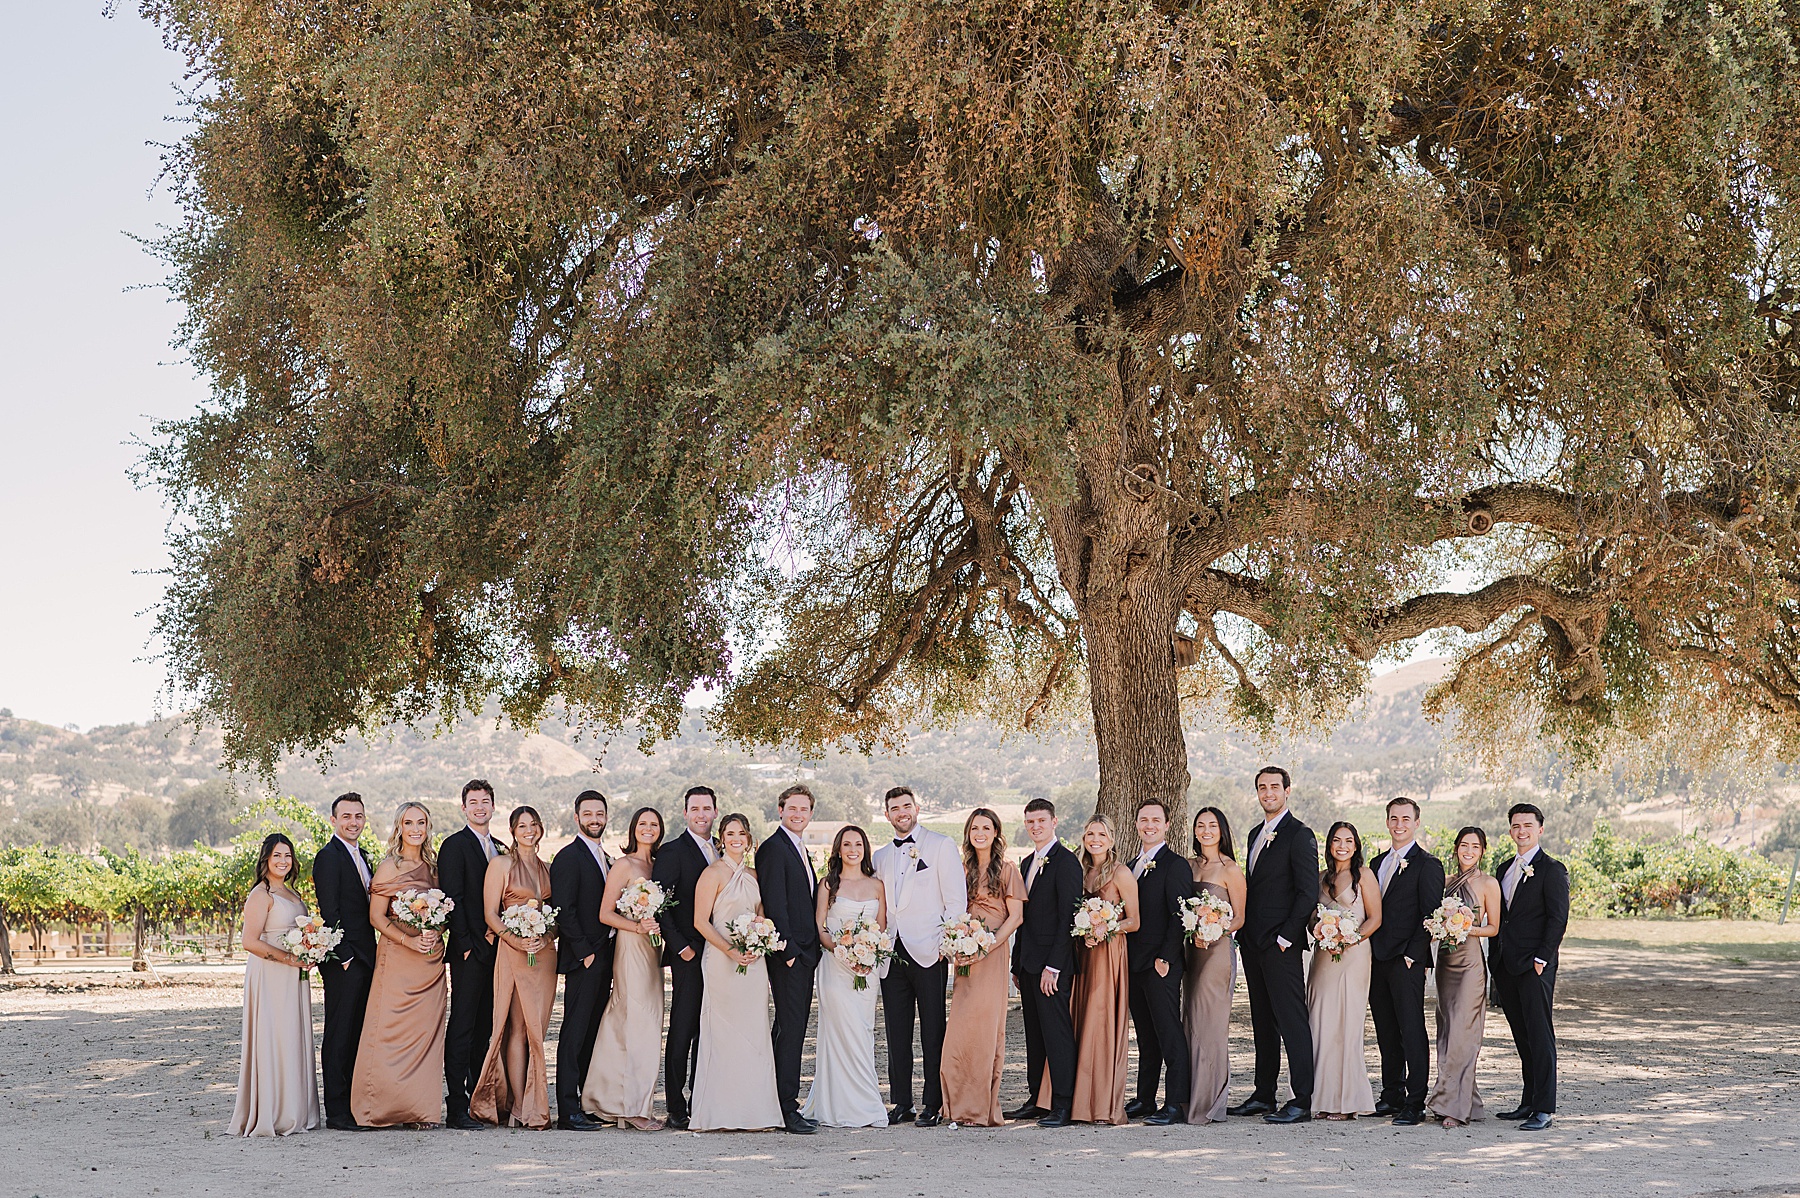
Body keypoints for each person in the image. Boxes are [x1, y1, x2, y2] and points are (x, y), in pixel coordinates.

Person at [1231, 765, 1321, 1125]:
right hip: (1252, 943)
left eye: (1273, 787)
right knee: (1262, 1021)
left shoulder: (1300, 834)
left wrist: (1286, 937)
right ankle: (1263, 1093)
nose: (1267, 793)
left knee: (1291, 1020)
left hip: (1281, 944)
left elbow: (1307, 892)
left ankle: (1302, 1099)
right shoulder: (1255, 833)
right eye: (1261, 787)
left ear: (1287, 791)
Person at [873, 784, 968, 1127]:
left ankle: (933, 1103)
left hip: (930, 950)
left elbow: (956, 901)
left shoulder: (940, 845)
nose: (902, 812)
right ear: (887, 815)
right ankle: (901, 1102)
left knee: (932, 1030)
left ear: (917, 808)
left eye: (907, 806)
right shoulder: (880, 857)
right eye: (895, 808)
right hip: (892, 952)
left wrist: (948, 942)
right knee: (896, 1031)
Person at [351, 802, 449, 1128]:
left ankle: (419, 1110)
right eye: (409, 823)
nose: (416, 829)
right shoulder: (388, 868)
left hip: (431, 961)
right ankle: (379, 1109)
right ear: (399, 827)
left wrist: (436, 931)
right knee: (390, 1032)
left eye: (421, 822)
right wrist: (409, 941)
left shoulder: (435, 868)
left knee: (426, 1036)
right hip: (397, 957)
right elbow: (376, 916)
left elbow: (444, 912)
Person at [690, 813, 784, 1131]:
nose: (736, 838)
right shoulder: (712, 873)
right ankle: (719, 1112)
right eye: (730, 833)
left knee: (754, 1029)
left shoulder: (756, 875)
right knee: (723, 1030)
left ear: (749, 839)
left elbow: (761, 916)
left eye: (741, 833)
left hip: (753, 965)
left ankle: (756, 1112)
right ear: (721, 838)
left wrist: (758, 944)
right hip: (720, 962)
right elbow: (700, 921)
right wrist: (731, 950)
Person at [469, 805, 557, 1129]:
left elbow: (554, 916)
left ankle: (533, 1103)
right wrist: (517, 941)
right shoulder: (502, 864)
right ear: (512, 830)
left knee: (538, 1030)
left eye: (534, 824)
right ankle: (521, 1105)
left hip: (544, 956)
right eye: (522, 825)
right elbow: (490, 913)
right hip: (514, 951)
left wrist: (545, 935)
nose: (529, 830)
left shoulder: (547, 868)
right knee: (518, 1030)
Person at [229, 833, 322, 1136]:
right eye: (277, 856)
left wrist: (313, 948)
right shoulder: (261, 894)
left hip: (294, 975)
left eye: (287, 856)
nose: (283, 861)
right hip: (271, 974)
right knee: (274, 1036)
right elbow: (249, 942)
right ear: (266, 859)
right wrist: (287, 959)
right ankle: (274, 1112)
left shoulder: (293, 893)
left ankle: (295, 1110)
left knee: (293, 1036)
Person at [939, 808, 1024, 1127]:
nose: (980, 832)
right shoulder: (961, 870)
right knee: (960, 1031)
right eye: (974, 827)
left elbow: (1015, 917)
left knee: (987, 1031)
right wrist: (957, 945)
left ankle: (980, 1108)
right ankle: (955, 1106)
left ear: (996, 833)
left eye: (986, 827)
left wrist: (987, 944)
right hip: (964, 955)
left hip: (993, 954)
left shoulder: (1008, 869)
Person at [585, 806, 669, 1130]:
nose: (648, 828)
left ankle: (633, 1101)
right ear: (634, 828)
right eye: (643, 823)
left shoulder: (657, 865)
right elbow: (605, 913)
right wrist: (636, 927)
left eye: (654, 823)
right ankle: (629, 1108)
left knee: (650, 1023)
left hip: (652, 951)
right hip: (632, 947)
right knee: (633, 1021)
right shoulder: (624, 864)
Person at [803, 824, 890, 1128]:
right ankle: (834, 1105)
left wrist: (868, 957)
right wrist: (844, 953)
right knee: (839, 1033)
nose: (853, 850)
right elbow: (821, 927)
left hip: (867, 973)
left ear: (865, 848)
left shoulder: (877, 886)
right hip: (834, 969)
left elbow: (880, 929)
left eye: (858, 844)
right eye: (847, 844)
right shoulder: (829, 885)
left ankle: (865, 1103)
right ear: (838, 849)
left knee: (862, 1033)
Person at [1367, 796, 1445, 1126]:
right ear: (1387, 822)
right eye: (1393, 818)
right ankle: (1392, 1093)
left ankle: (1415, 1101)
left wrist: (1413, 955)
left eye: (1405, 819)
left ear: (1416, 823)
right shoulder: (1375, 863)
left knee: (1411, 1029)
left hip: (1405, 960)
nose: (1399, 824)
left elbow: (1430, 914)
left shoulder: (1428, 864)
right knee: (1385, 1029)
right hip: (1375, 958)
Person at [1054, 814, 1138, 1125]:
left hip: (1107, 955)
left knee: (1100, 1024)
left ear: (1112, 839)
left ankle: (1101, 1104)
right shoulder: (1078, 869)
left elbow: (1135, 920)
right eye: (1090, 833)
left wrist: (1105, 928)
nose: (1095, 838)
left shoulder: (1121, 873)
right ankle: (1075, 1101)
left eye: (1101, 833)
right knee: (1077, 1020)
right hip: (1080, 954)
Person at [1007, 797, 1084, 1128]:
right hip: (1028, 964)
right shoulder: (1026, 863)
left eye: (1041, 821)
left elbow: (1069, 917)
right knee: (1034, 1035)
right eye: (1030, 822)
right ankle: (1037, 1098)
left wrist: (1054, 966)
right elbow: (1023, 918)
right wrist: (1016, 962)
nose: (1035, 826)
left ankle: (1064, 1103)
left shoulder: (1067, 862)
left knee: (1057, 1034)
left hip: (1052, 967)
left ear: (1054, 822)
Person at [1493, 802, 1569, 1132]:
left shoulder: (1552, 869)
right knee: (1521, 1035)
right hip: (1506, 965)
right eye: (1515, 826)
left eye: (1527, 825)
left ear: (1540, 829)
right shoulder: (1503, 868)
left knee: (1540, 1035)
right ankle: (1527, 1100)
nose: (1520, 831)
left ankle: (1544, 1108)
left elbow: (1558, 918)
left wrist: (1542, 958)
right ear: (1510, 830)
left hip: (1535, 965)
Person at [756, 784, 824, 1134]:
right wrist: (790, 955)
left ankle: (777, 1101)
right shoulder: (772, 849)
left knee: (788, 1029)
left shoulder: (798, 848)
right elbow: (775, 905)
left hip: (805, 955)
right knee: (791, 1030)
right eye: (792, 808)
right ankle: (786, 1107)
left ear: (811, 813)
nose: (798, 814)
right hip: (789, 956)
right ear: (780, 810)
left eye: (804, 809)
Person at [438, 778, 505, 1130]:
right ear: (463, 808)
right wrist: (466, 945)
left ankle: (481, 1100)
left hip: (498, 953)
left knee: (486, 1027)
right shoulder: (454, 845)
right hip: (469, 952)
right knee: (462, 1027)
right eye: (473, 802)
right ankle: (456, 1107)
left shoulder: (499, 846)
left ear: (494, 807)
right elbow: (453, 899)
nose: (480, 807)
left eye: (485, 801)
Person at [652, 784, 718, 1130]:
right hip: (689, 953)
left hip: (719, 955)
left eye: (707, 808)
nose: (702, 814)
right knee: (684, 1024)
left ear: (715, 812)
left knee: (709, 1026)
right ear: (685, 813)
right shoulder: (673, 851)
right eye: (695, 809)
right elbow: (660, 904)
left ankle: (702, 1097)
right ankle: (676, 1105)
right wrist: (680, 946)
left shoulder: (721, 850)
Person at [1124, 799, 1191, 1125]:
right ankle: (1145, 1099)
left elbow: (1180, 916)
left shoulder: (1174, 865)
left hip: (1160, 963)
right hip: (1133, 963)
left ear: (1167, 825)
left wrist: (1166, 957)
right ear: (1136, 823)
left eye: (1155, 820)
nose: (1148, 825)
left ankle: (1176, 1103)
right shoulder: (1130, 864)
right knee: (1146, 1036)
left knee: (1169, 1034)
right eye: (1143, 819)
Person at [1308, 821, 1382, 1119]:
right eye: (1336, 840)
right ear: (1329, 845)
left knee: (1347, 1024)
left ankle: (1347, 1102)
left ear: (1356, 845)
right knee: (1319, 1022)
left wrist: (1348, 939)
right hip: (1324, 956)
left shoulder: (1364, 875)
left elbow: (1375, 918)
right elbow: (1312, 915)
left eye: (1348, 841)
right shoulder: (1320, 877)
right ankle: (1321, 1098)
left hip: (1353, 955)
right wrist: (1320, 931)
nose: (1342, 846)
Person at [549, 790, 613, 1130]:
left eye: (599, 813)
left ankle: (584, 1103)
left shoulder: (606, 857)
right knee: (574, 1033)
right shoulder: (568, 857)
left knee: (591, 1033)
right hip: (583, 959)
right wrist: (585, 952)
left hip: (605, 958)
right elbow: (565, 910)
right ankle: (567, 1110)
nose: (594, 819)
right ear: (576, 817)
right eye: (588, 814)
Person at [1428, 826, 1500, 1128]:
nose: (1468, 851)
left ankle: (1453, 1108)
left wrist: (1464, 928)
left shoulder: (1488, 883)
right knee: (1445, 1032)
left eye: (1475, 846)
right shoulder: (1443, 883)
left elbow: (1493, 928)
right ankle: (1463, 1100)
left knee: (1463, 1035)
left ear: (1482, 851)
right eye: (1463, 845)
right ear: (1456, 848)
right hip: (1445, 962)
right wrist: (1440, 926)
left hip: (1470, 965)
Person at [312, 792, 375, 1131]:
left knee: (356, 1033)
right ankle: (337, 1111)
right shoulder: (328, 856)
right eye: (347, 816)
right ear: (333, 820)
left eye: (358, 816)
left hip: (368, 956)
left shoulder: (362, 855)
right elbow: (329, 910)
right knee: (339, 1033)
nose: (353, 822)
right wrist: (347, 956)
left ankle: (354, 1104)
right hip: (345, 960)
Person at [1184, 806, 1245, 1124]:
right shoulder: (1188, 865)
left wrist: (1212, 931)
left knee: (1209, 1024)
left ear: (1222, 829)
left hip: (1217, 952)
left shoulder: (1230, 869)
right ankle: (1188, 1097)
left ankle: (1208, 1103)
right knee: (1190, 1019)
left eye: (1212, 825)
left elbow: (1240, 918)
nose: (1206, 830)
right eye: (1200, 825)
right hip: (1190, 952)